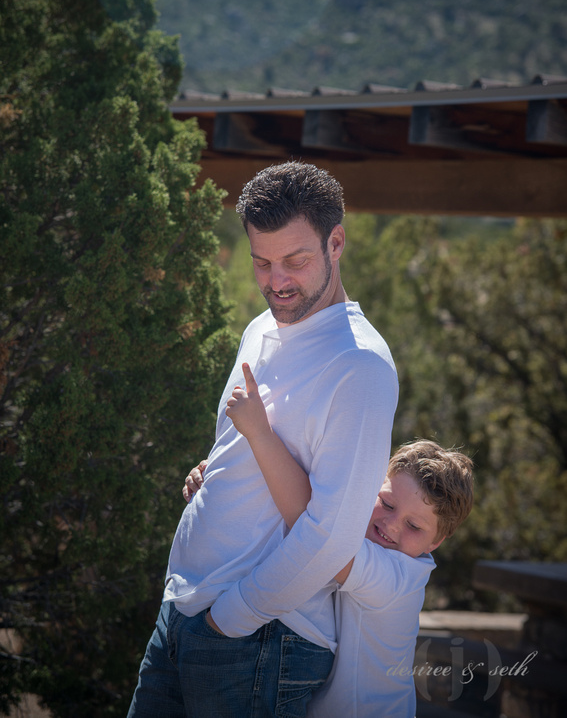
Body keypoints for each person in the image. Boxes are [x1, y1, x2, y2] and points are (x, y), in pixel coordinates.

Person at [127, 162, 399, 717]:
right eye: (261, 262)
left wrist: (233, 617)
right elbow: (254, 443)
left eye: (295, 261)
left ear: (336, 243)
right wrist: (215, 473)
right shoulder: (260, 328)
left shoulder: (361, 366)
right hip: (183, 611)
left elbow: (332, 535)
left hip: (260, 640)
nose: (276, 281)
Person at [190, 363, 473, 717]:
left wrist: (260, 432)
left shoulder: (398, 578)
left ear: (436, 543)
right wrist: (223, 475)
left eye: (415, 526)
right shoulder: (370, 538)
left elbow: (315, 532)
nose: (391, 525)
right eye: (386, 503)